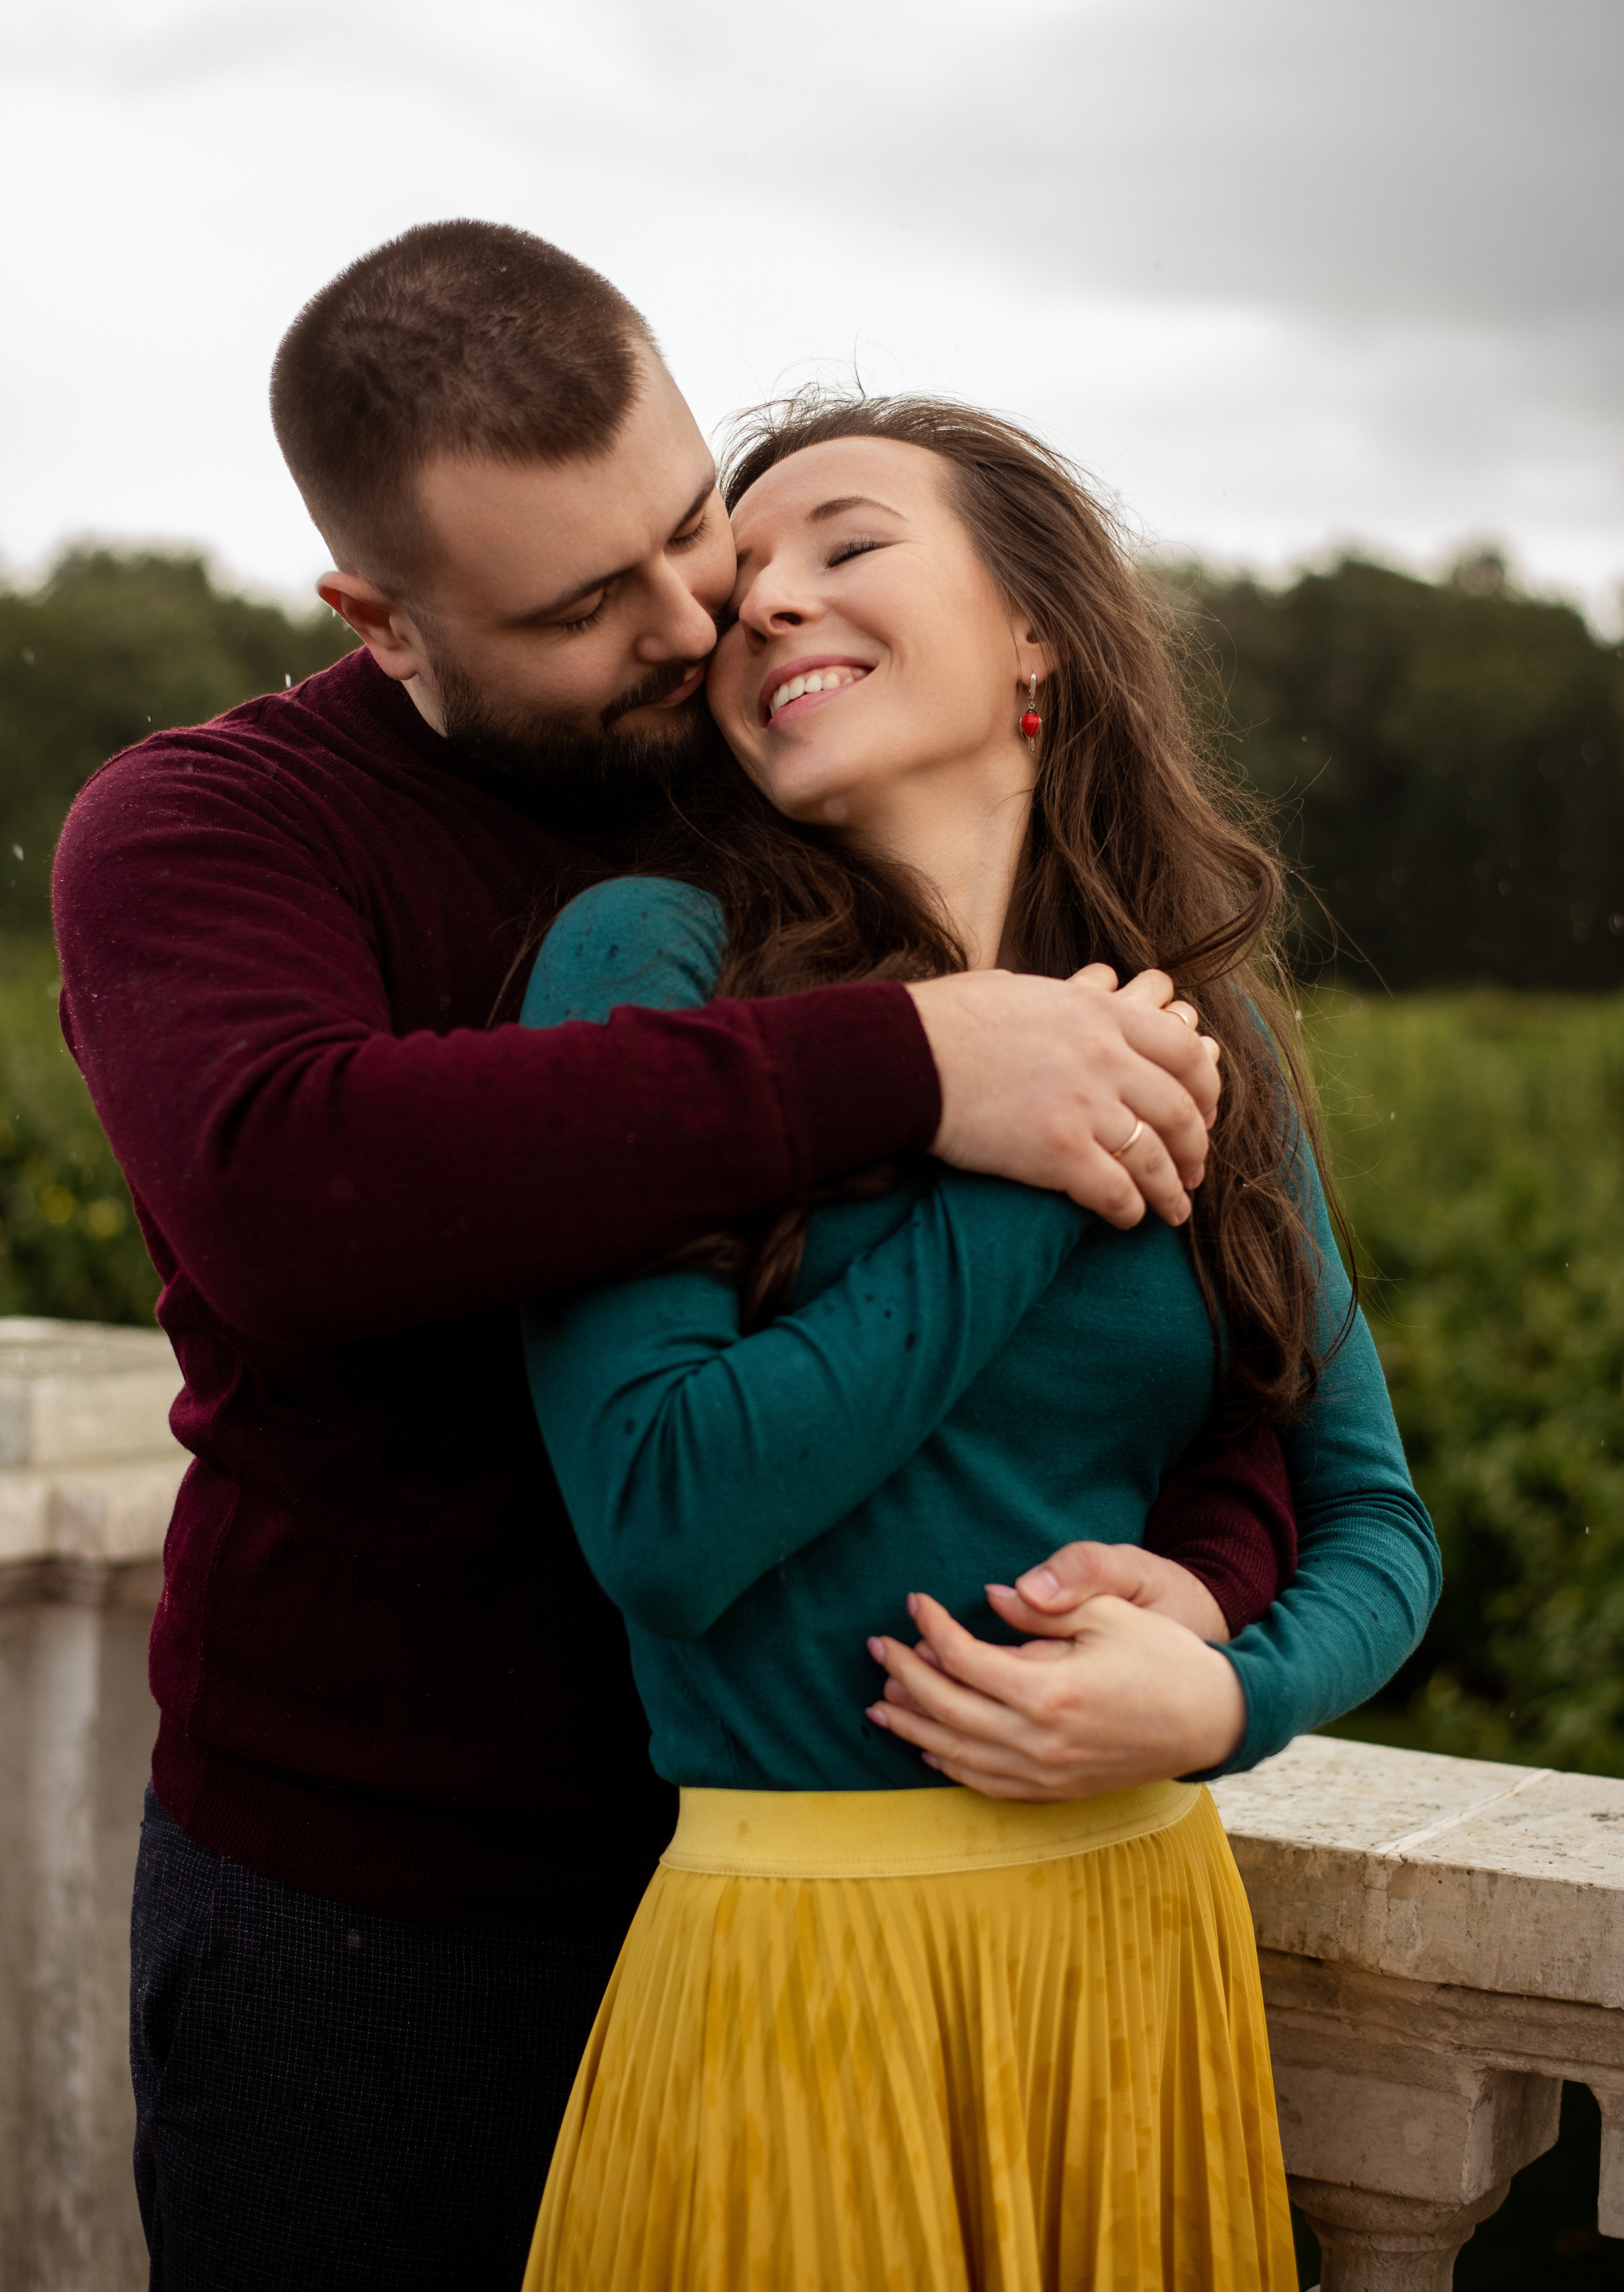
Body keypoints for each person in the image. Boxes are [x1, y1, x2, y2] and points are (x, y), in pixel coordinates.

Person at [49, 225, 1261, 2292]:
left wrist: (1217, 1593)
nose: (692, 619)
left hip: (828, 1900)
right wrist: (912, 1064)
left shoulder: (785, 763)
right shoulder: (209, 827)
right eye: (581, 604)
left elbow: (1181, 1330)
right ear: (381, 618)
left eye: (692, 523)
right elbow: (290, 1185)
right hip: (378, 1920)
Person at [516, 394, 1442, 2289]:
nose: (769, 601)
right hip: (801, 1966)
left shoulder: (1207, 1035)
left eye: (846, 544)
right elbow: (661, 1515)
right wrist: (1032, 1158)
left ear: (1036, 630)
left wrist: (1228, 1698)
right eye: (741, 586)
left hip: (1141, 1957)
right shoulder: (650, 956)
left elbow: (1378, 1522)